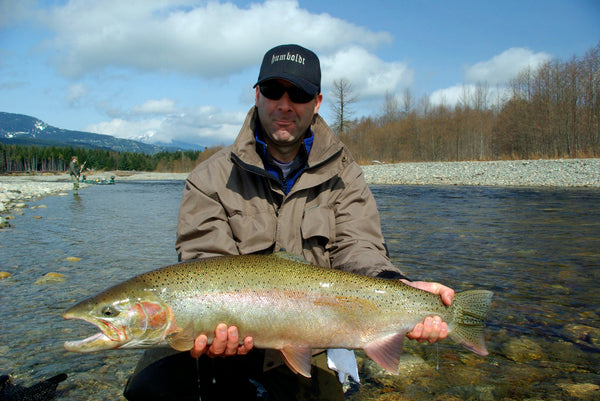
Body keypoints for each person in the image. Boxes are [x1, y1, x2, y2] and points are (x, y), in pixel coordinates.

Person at [124, 44, 454, 401]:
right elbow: (204, 267)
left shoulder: (346, 176)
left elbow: (360, 247)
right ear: (256, 95)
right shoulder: (209, 178)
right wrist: (206, 330)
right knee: (150, 388)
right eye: (272, 91)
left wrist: (397, 284)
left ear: (317, 101)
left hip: (313, 340)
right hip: (232, 339)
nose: (284, 104)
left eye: (297, 93)